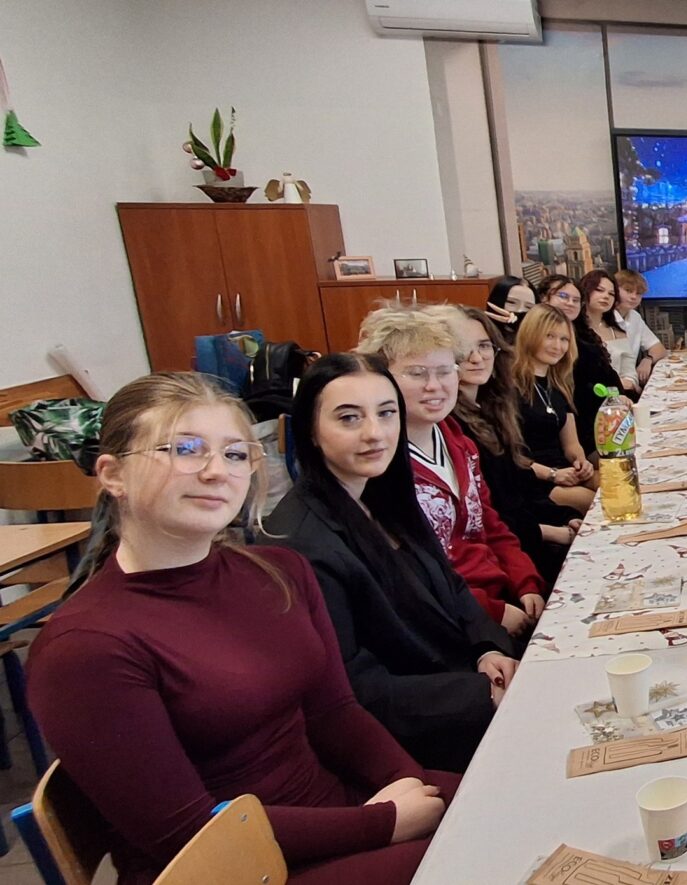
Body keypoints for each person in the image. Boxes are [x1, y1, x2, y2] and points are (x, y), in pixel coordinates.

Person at [29, 372, 458, 884]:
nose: (217, 472)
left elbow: (334, 712)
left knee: (520, 804)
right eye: (185, 449)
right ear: (113, 474)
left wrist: (407, 783)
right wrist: (384, 823)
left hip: (335, 816)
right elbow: (187, 835)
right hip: (235, 867)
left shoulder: (280, 571)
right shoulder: (85, 648)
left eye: (235, 454)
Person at [266, 354, 518, 773]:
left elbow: (451, 585)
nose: (374, 433)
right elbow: (354, 688)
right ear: (310, 430)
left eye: (386, 413)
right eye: (349, 418)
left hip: (462, 689)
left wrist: (486, 648)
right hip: (416, 736)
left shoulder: (382, 494)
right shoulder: (302, 544)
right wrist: (479, 694)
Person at [356, 307, 547, 632]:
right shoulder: (378, 464)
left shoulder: (459, 441)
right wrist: (493, 613)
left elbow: (490, 525)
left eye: (444, 371)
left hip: (500, 593)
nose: (435, 386)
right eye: (417, 373)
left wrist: (525, 582)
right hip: (451, 620)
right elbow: (409, 577)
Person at [429, 304, 583, 585]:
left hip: (526, 532)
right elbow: (486, 518)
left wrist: (563, 517)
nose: (476, 358)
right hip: (506, 557)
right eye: (463, 349)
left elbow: (516, 486)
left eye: (484, 346)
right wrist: (553, 531)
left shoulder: (493, 410)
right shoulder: (450, 425)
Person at [511, 304, 597, 493]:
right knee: (598, 501)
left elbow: (571, 445)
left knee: (620, 484)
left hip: (565, 471)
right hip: (532, 479)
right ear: (530, 335)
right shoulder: (510, 387)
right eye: (549, 336)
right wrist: (552, 474)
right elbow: (511, 456)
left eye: (564, 339)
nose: (558, 346)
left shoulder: (559, 385)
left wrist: (581, 462)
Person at [570, 269, 629, 452]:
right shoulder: (575, 334)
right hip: (590, 420)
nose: (606, 297)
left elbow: (609, 373)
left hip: (612, 410)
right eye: (599, 290)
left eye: (611, 294)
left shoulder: (606, 331)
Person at [614, 269, 667, 389]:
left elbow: (659, 349)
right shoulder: (604, 319)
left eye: (638, 293)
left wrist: (648, 360)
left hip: (630, 382)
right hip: (613, 386)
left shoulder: (634, 316)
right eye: (628, 291)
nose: (634, 297)